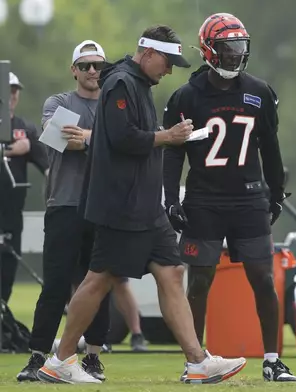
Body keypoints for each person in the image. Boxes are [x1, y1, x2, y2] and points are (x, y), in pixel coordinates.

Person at [37, 25, 246, 385]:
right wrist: (168, 137)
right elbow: (119, 138)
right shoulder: (121, 83)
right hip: (122, 202)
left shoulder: (138, 83)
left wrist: (169, 138)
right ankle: (60, 360)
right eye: (167, 62)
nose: (169, 71)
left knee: (171, 272)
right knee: (99, 278)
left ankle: (197, 361)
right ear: (148, 53)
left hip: (145, 205)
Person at [163, 13, 296, 382]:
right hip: (204, 199)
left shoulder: (260, 92)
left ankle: (272, 359)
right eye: (227, 47)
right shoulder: (186, 96)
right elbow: (173, 152)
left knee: (263, 278)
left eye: (239, 46)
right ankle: (196, 360)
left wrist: (275, 191)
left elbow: (270, 147)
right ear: (209, 50)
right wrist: (170, 198)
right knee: (200, 281)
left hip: (249, 199)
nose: (235, 54)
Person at [16, 41, 113, 382]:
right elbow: (60, 138)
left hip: (103, 206)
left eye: (98, 65)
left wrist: (87, 137)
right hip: (64, 204)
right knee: (56, 284)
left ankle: (93, 358)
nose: (91, 71)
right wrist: (100, 138)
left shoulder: (113, 105)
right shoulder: (58, 102)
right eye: (84, 65)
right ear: (73, 69)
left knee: (99, 284)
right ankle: (38, 356)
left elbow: (120, 142)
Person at [0, 71, 48, 303]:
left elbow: (48, 166)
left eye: (14, 91)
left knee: (7, 273)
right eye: (7, 90)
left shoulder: (25, 129)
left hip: (11, 216)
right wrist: (9, 151)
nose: (11, 95)